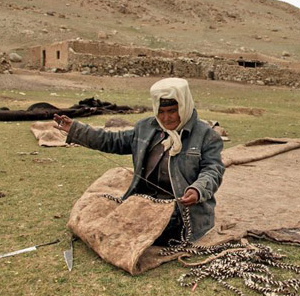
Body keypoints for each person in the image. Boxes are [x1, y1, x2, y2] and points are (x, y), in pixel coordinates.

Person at [53, 78, 224, 245]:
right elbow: (111, 140)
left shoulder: (206, 136)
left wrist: (197, 189)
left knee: (151, 231)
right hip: (145, 202)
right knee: (101, 217)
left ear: (184, 106)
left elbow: (212, 170)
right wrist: (76, 130)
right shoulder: (146, 128)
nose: (166, 118)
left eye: (172, 111)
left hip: (182, 209)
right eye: (161, 111)